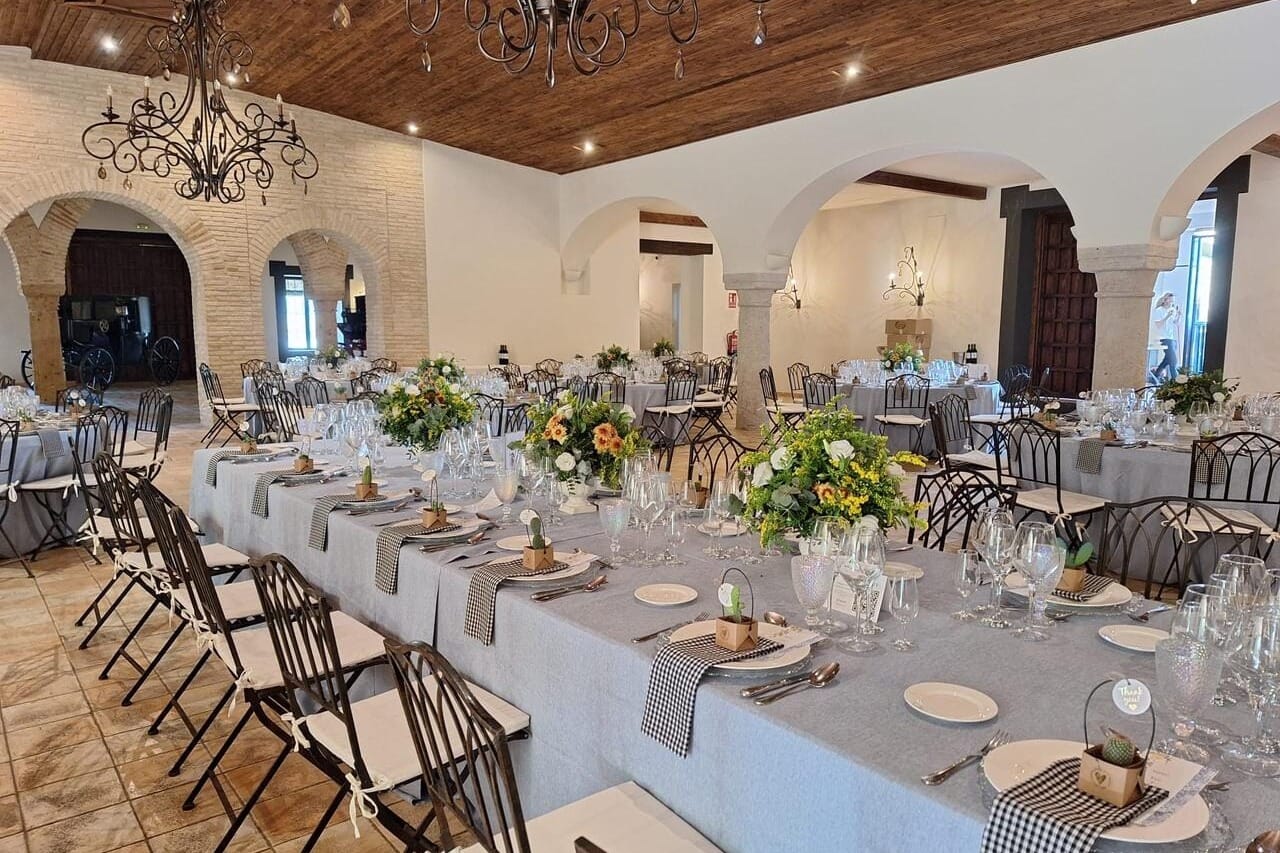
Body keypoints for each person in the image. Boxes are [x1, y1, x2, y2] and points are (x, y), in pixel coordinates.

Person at [1150, 292, 1182, 382]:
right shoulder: (1159, 310)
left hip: (1171, 338)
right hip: (1163, 338)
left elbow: (1176, 323)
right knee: (1173, 361)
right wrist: (1167, 316)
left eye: (1173, 300)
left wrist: (1178, 315)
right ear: (1165, 300)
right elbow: (1159, 325)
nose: (1172, 301)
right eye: (1170, 299)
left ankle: (1155, 375)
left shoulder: (1172, 310)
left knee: (1167, 359)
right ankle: (1176, 380)